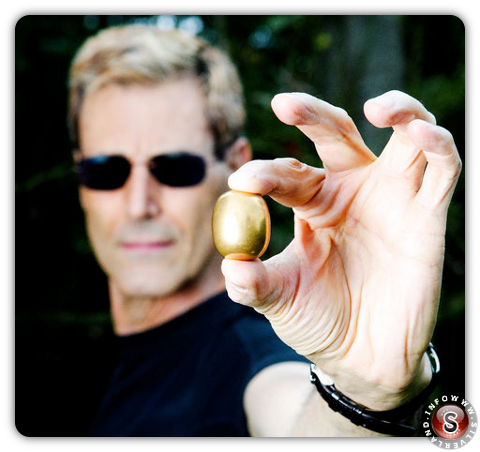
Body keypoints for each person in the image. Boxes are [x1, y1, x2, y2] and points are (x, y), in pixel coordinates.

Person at [68, 25, 462, 437]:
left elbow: (291, 416)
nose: (139, 205)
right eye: (106, 171)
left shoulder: (254, 359)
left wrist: (364, 395)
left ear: (236, 167)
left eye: (176, 168)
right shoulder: (78, 364)